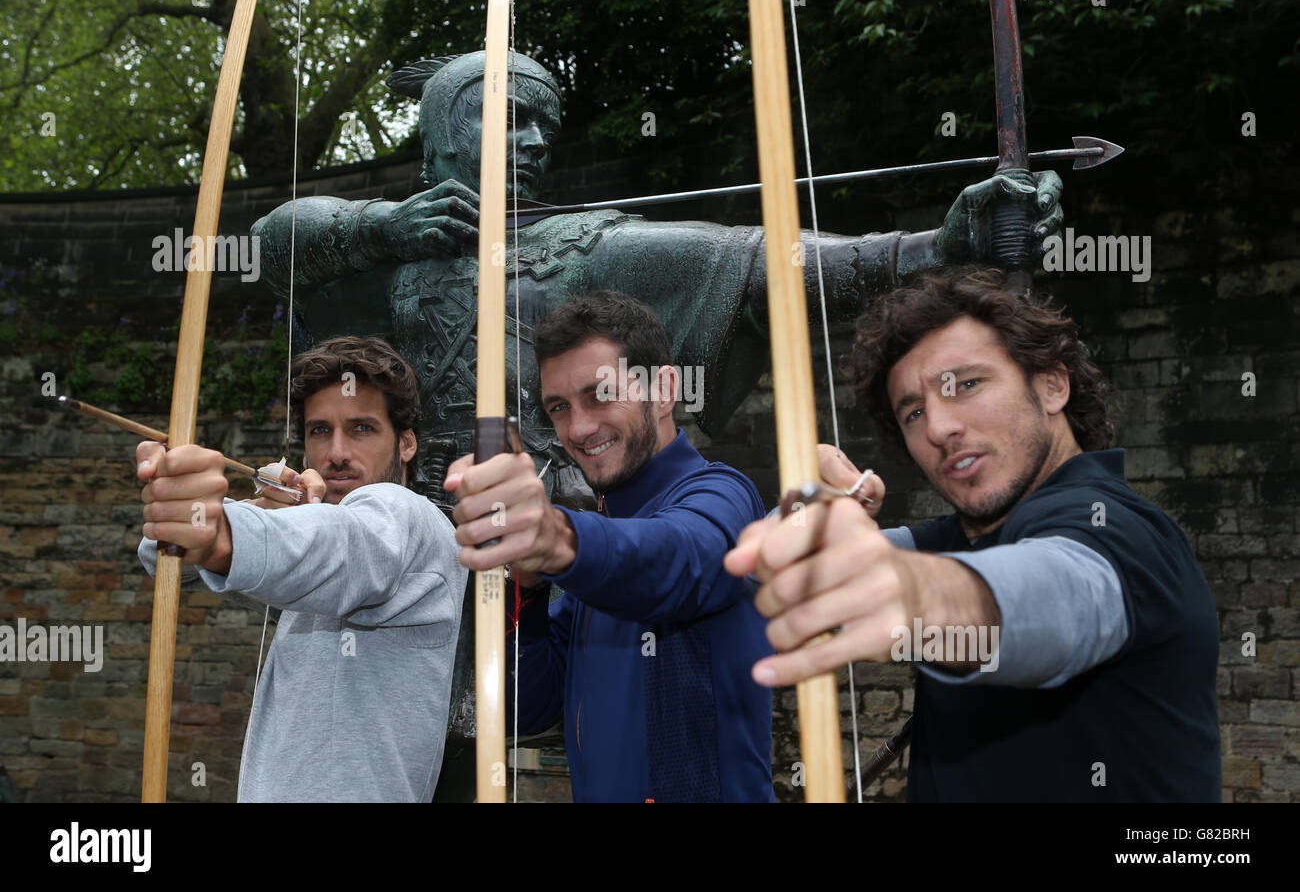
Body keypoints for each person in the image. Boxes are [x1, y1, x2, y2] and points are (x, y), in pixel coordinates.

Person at [251, 50, 1065, 511]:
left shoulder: (578, 249)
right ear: (438, 134)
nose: (533, 141)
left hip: (555, 525)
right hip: (400, 532)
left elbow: (753, 259)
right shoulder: (381, 255)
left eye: (544, 124)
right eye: (507, 116)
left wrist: (933, 247)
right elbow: (267, 243)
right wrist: (382, 227)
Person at [725, 268, 1221, 802]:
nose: (938, 427)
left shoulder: (1120, 530)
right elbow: (760, 579)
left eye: (966, 384)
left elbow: (1058, 598)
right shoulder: (957, 540)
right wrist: (802, 521)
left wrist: (918, 592)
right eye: (914, 412)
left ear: (1052, 385)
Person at [445, 291, 774, 802]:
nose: (578, 428)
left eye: (601, 394)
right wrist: (527, 588)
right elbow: (526, 707)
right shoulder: (604, 535)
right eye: (560, 407)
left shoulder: (721, 494)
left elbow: (681, 559)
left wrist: (559, 540)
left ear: (664, 391)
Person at [135, 336, 467, 802]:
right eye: (319, 431)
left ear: (407, 443)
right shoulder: (316, 532)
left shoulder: (408, 515)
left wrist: (219, 530)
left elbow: (345, 547)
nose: (335, 453)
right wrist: (255, 511)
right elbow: (160, 557)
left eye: (361, 429)